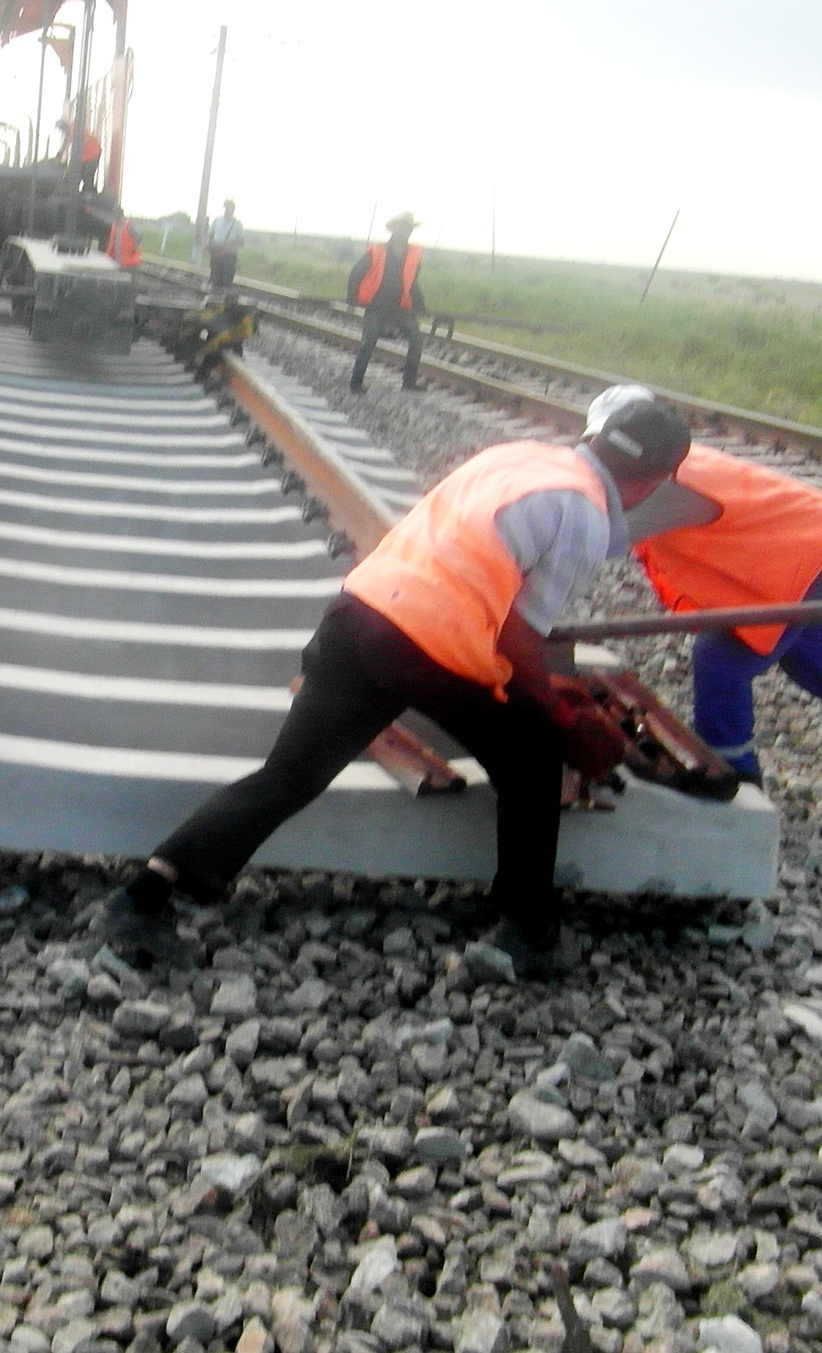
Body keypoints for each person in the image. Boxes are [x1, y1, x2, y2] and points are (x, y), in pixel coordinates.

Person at [96, 396, 697, 978]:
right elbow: (520, 636)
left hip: (360, 614)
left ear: (596, 438)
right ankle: (528, 930)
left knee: (288, 775)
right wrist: (558, 713)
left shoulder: (517, 457)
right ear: (648, 482)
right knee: (533, 758)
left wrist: (540, 689)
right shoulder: (583, 509)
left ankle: (143, 899)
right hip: (429, 645)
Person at [595, 385, 822, 798]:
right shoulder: (665, 464)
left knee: (721, 657)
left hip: (804, 553)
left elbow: (598, 538)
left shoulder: (664, 487)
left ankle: (733, 776)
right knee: (808, 654)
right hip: (800, 547)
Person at [347, 212, 427, 393]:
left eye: (408, 228)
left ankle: (409, 383)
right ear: (394, 229)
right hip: (376, 305)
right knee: (369, 341)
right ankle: (356, 383)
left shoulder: (413, 254)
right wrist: (352, 299)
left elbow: (412, 282)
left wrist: (421, 305)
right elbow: (356, 273)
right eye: (402, 227)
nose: (405, 231)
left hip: (400, 307)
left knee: (416, 338)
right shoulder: (377, 250)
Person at [206, 199, 245, 298]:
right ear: (224, 208)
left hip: (229, 255)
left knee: (227, 279)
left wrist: (226, 244)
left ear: (233, 209)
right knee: (215, 278)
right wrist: (210, 245)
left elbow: (241, 241)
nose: (228, 210)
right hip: (216, 254)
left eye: (231, 208)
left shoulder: (237, 224)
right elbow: (210, 235)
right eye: (227, 207)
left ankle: (223, 299)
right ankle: (213, 297)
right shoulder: (217, 220)